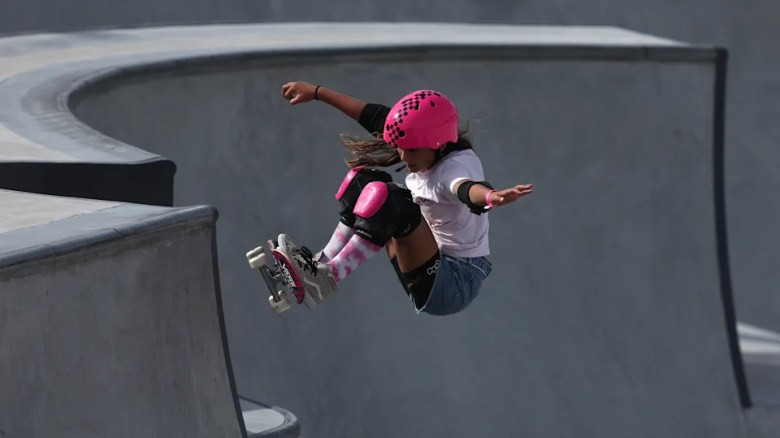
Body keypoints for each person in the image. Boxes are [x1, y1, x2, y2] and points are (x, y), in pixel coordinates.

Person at [271, 81, 533, 315]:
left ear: (437, 143)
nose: (405, 158)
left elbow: (465, 189)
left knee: (395, 201)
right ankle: (321, 265)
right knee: (362, 180)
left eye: (412, 151)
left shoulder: (454, 167)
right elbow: (369, 114)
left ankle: (330, 277)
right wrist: (317, 93)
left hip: (454, 281)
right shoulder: (423, 146)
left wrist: (489, 196)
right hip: (433, 262)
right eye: (401, 149)